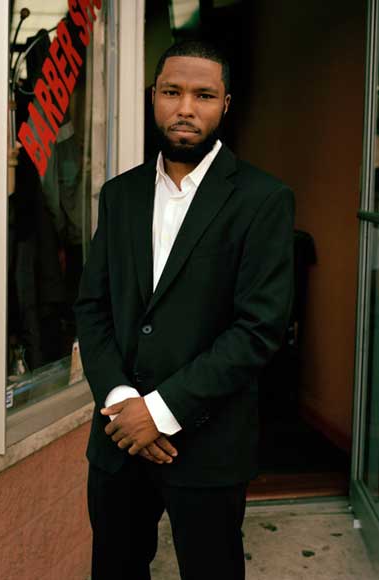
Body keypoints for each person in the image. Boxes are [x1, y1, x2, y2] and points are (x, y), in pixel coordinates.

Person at [74, 40, 295, 580]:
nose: (186, 108)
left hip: (208, 445)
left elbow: (258, 329)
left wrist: (161, 411)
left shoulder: (263, 199)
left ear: (226, 104)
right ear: (153, 98)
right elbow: (92, 306)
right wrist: (126, 403)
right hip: (118, 439)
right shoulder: (119, 195)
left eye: (203, 95)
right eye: (172, 92)